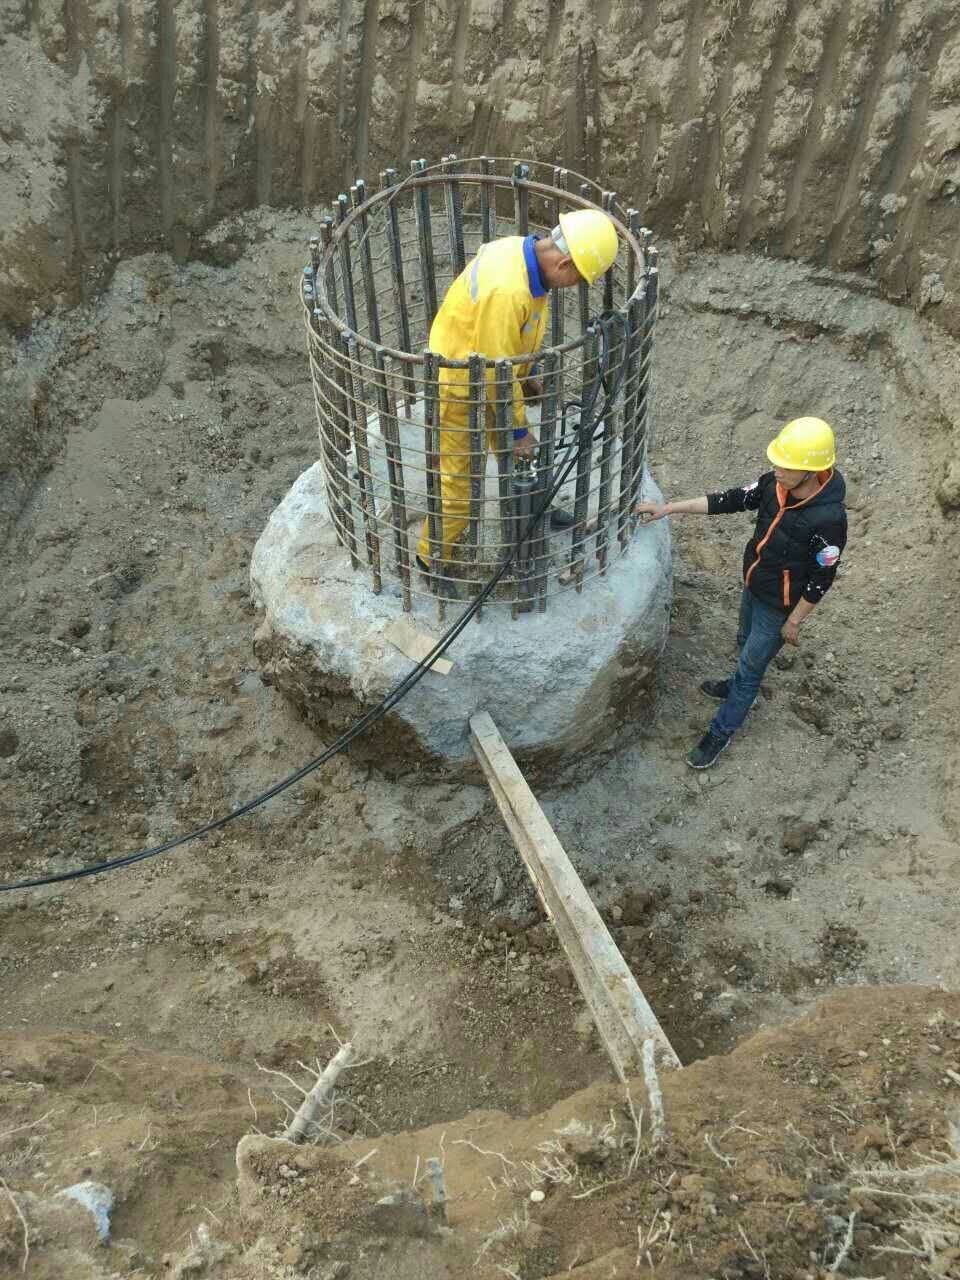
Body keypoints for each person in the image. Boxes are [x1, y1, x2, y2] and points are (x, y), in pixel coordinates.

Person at [415, 209, 619, 582]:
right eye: (578, 277)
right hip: (461, 386)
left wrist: (528, 374)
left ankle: (530, 510)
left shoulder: (524, 258)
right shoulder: (507, 289)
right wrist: (516, 429)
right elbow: (495, 371)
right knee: (459, 490)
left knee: (519, 462)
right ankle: (432, 561)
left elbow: (508, 341)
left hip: (489, 375)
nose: (575, 285)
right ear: (566, 263)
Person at [635, 417, 847, 769]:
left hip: (778, 607)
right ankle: (737, 689)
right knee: (744, 640)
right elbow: (730, 500)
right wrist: (668, 509)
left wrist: (794, 621)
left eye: (786, 465)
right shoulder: (774, 485)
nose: (776, 468)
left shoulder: (829, 520)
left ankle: (722, 729)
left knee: (751, 666)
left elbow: (823, 577)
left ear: (811, 472)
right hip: (754, 586)